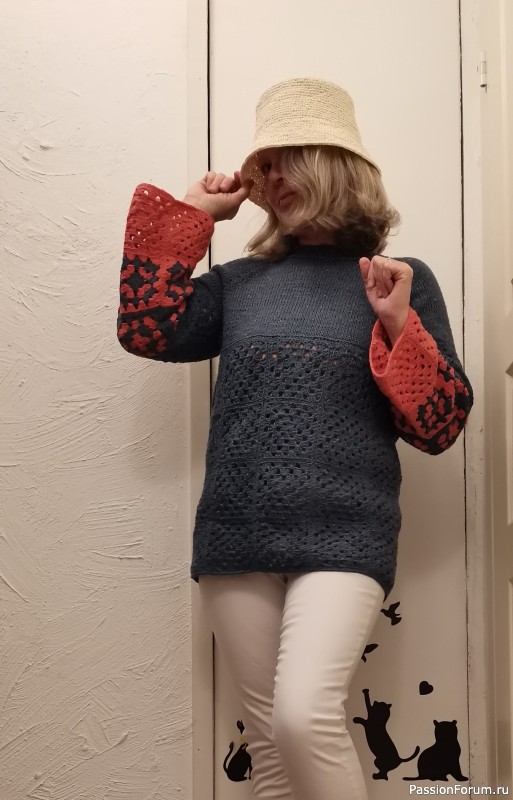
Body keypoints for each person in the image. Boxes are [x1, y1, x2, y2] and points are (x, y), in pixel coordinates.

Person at [117, 77, 473, 800]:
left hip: (346, 535)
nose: (270, 178)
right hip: (236, 533)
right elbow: (146, 328)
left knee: (301, 717)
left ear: (332, 167)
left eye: (287, 160)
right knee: (272, 750)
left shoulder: (400, 281)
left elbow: (441, 426)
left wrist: (398, 324)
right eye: (264, 164)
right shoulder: (240, 283)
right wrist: (195, 214)